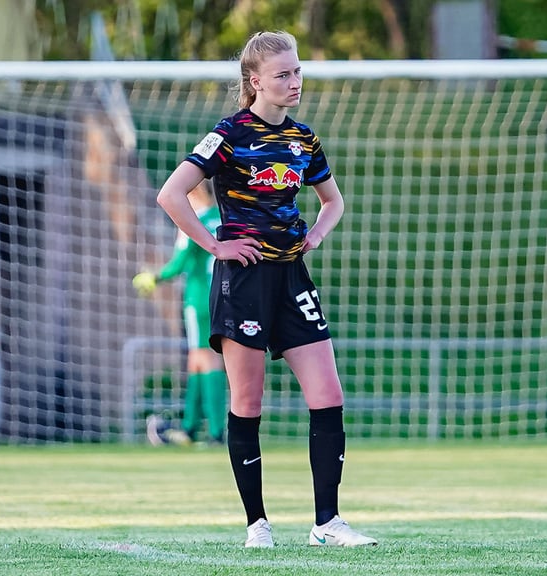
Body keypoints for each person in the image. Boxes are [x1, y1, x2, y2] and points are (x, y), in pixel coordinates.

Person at [155, 30, 378, 548]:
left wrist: (317, 235)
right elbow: (172, 193)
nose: (294, 81)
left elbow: (332, 201)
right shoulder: (228, 134)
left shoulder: (303, 140)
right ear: (255, 81)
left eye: (297, 70)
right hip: (244, 281)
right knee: (248, 401)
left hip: (291, 279)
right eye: (283, 74)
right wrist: (215, 246)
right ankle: (258, 524)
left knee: (328, 394)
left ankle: (328, 522)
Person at [134, 180, 227, 447]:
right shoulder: (221, 220)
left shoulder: (192, 221)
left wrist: (154, 277)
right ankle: (189, 429)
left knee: (206, 359)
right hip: (221, 296)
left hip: (198, 299)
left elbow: (179, 263)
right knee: (196, 361)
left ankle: (216, 433)